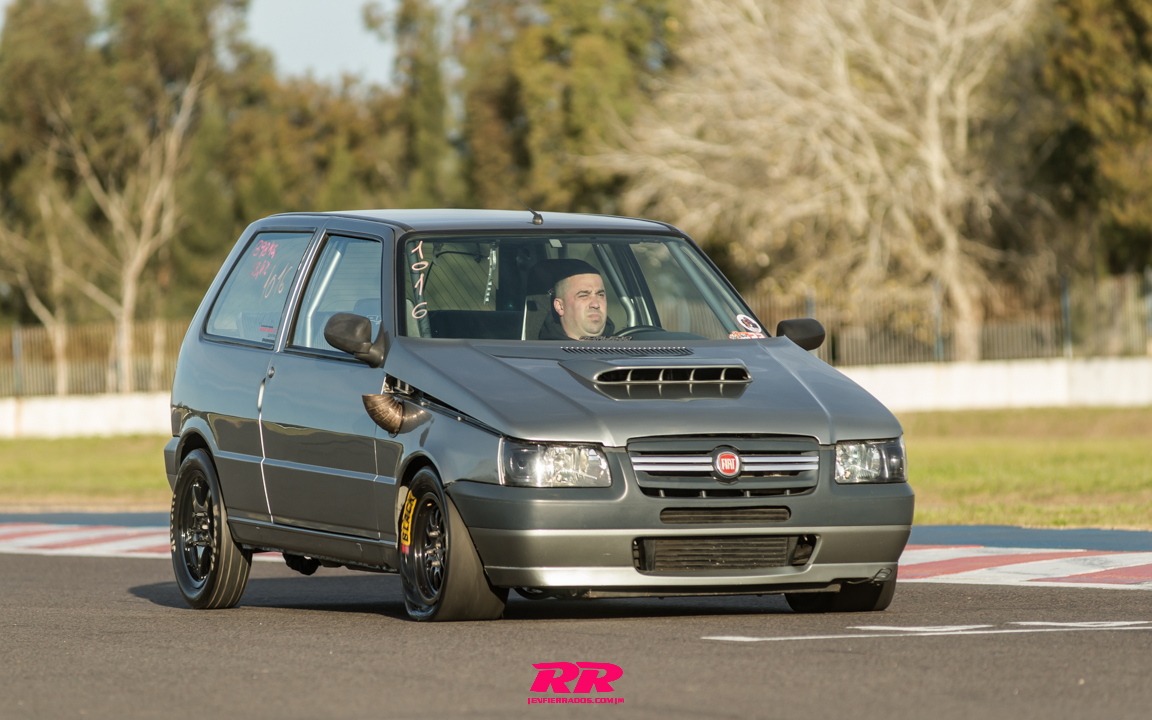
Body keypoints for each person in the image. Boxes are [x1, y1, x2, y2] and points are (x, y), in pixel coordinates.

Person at [537, 260, 616, 340]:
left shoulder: (620, 345)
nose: (596, 304)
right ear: (560, 306)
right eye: (583, 295)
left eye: (600, 295)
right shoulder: (541, 347)